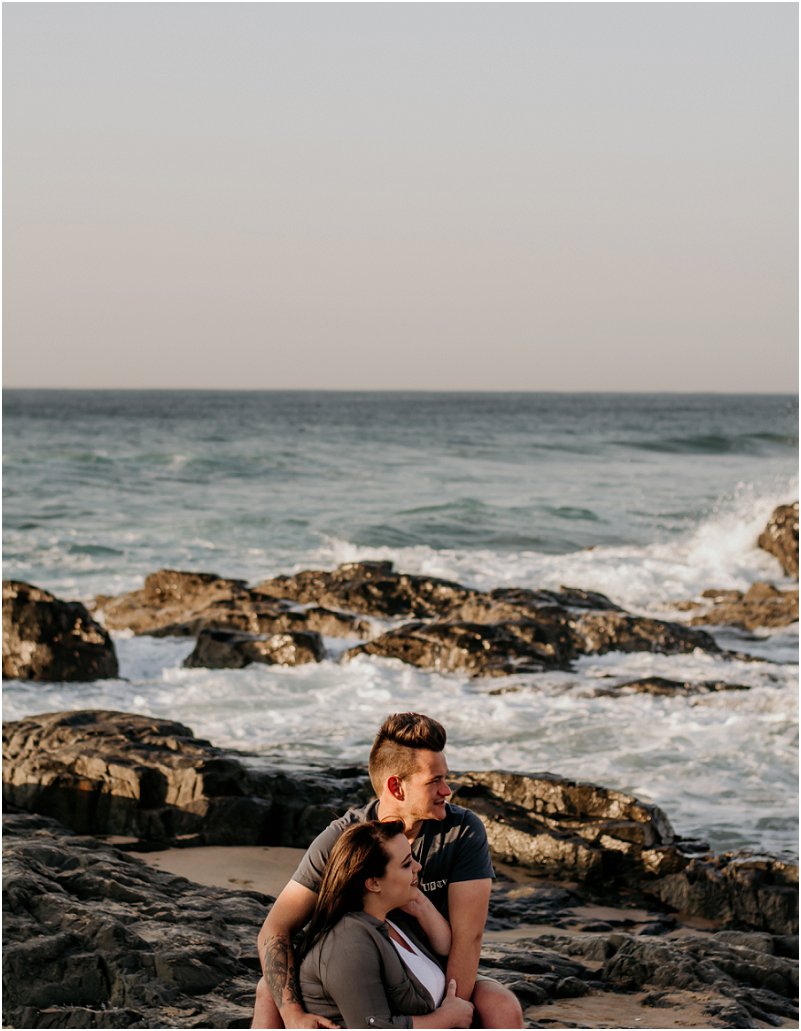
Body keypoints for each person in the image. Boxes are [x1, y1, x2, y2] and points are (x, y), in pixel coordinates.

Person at [252, 712, 524, 1029]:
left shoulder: (461, 831)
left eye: (445, 778)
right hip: (357, 972)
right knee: (268, 992)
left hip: (433, 969)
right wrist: (292, 1015)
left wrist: (447, 1013)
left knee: (502, 1006)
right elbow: (274, 930)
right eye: (434, 781)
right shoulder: (344, 841)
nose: (447, 790)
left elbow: (468, 940)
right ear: (396, 786)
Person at [297, 819, 474, 1028]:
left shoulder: (390, 919)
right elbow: (373, 1027)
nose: (418, 867)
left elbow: (446, 947)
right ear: (374, 883)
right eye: (407, 864)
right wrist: (446, 1019)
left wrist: (420, 903)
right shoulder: (348, 943)